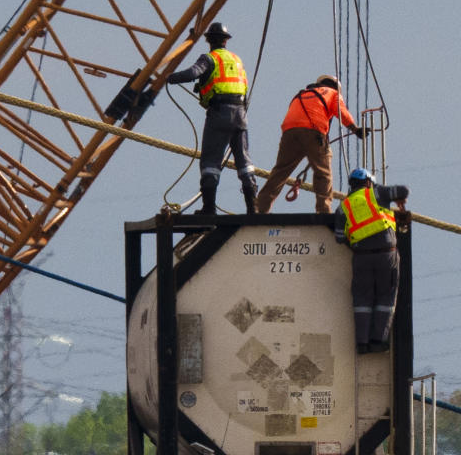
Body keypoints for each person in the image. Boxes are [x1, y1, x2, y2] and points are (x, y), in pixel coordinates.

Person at [166, 22, 257, 215]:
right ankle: (253, 208)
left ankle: (209, 208)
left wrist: (171, 77)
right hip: (240, 114)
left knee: (210, 162)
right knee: (244, 161)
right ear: (226, 40)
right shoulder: (236, 60)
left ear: (209, 41)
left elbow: (193, 73)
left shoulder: (209, 58)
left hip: (219, 114)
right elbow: (244, 86)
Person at [255, 75, 366, 214]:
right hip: (313, 130)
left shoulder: (302, 94)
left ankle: (259, 208)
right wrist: (355, 129)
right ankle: (323, 210)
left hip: (290, 132)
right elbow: (341, 111)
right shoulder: (333, 93)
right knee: (323, 172)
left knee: (280, 172)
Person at [334, 167, 409, 354]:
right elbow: (403, 190)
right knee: (386, 297)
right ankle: (378, 341)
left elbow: (339, 237)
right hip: (386, 254)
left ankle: (362, 344)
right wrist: (399, 200)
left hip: (361, 257)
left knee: (362, 300)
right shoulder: (377, 193)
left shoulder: (343, 207)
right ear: (368, 182)